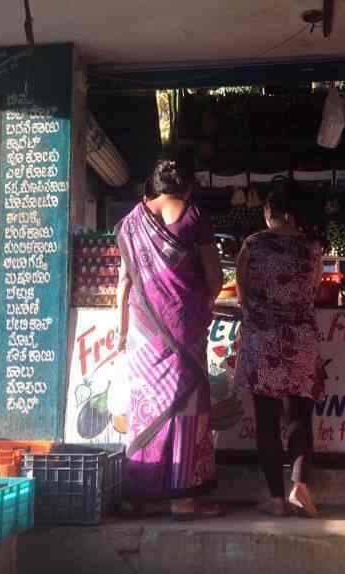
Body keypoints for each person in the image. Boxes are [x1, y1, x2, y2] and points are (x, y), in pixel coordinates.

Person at [115, 156, 224, 520]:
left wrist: (120, 325)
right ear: (188, 186)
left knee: (146, 407)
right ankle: (184, 499)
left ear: (154, 185)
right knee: (187, 407)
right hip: (184, 327)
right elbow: (214, 277)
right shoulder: (194, 217)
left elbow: (124, 281)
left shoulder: (130, 224)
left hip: (143, 333)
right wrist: (201, 305)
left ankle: (137, 494)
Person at [234, 178, 323, 518]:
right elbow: (312, 291)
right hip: (300, 341)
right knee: (299, 416)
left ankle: (275, 499)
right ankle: (300, 486)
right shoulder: (312, 248)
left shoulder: (253, 245)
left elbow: (241, 294)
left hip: (263, 343)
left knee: (268, 422)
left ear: (271, 211)